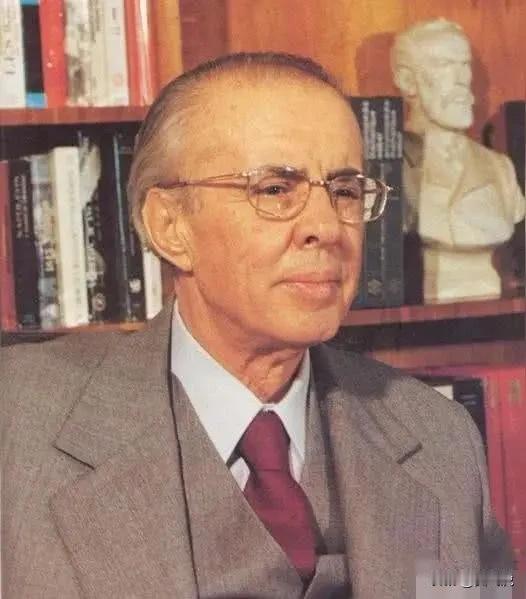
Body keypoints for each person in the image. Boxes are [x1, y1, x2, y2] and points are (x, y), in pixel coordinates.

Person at [1, 52, 512, 599]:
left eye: (343, 191)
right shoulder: (18, 422)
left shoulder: (440, 437)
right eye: (274, 189)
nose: (326, 227)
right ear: (170, 226)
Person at [391, 19, 525, 302]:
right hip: (422, 302)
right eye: (444, 64)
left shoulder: (500, 167)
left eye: (464, 65)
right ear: (407, 81)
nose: (462, 79)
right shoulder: (387, 167)